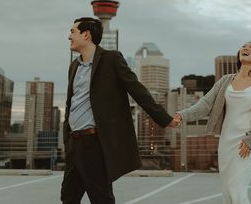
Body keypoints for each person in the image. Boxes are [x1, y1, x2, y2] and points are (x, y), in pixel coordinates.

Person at [61, 17, 177, 204]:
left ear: (86, 34)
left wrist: (164, 118)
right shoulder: (74, 66)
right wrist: (66, 136)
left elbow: (136, 89)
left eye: (73, 31)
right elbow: (71, 102)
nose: (69, 36)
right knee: (68, 197)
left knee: (101, 197)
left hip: (94, 143)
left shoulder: (111, 59)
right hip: (74, 144)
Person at [173, 41, 251, 204]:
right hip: (226, 142)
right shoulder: (226, 80)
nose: (245, 48)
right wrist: (182, 116)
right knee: (228, 193)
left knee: (237, 191)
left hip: (247, 143)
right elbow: (206, 104)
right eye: (243, 46)